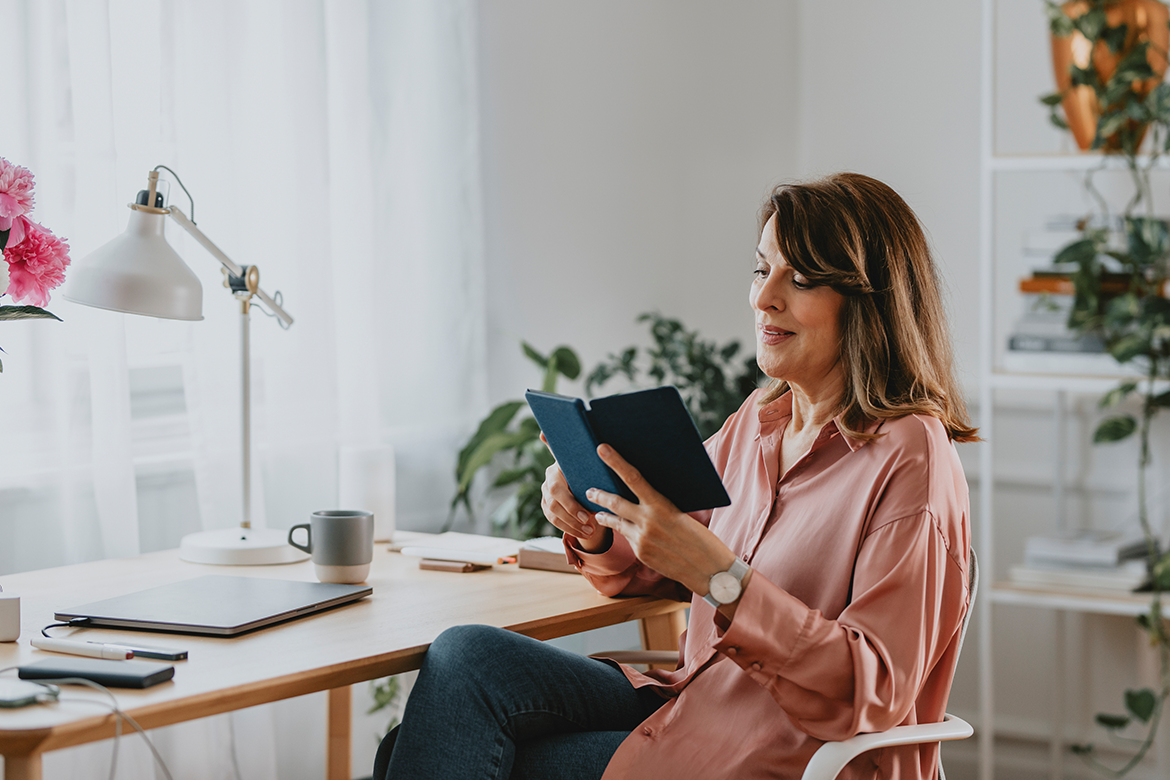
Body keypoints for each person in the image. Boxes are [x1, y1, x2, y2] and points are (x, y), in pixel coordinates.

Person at [373, 172, 977, 780]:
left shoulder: (911, 456)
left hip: (784, 759)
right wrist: (596, 525)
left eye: (801, 279)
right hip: (695, 711)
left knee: (414, 748)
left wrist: (721, 579)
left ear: (871, 303)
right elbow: (654, 560)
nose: (764, 298)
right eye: (761, 269)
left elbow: (871, 692)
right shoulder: (758, 425)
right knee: (467, 660)